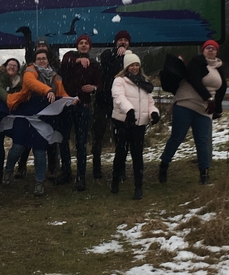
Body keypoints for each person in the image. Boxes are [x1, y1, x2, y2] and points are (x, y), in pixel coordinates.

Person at [4, 46, 76, 196]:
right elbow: (31, 83)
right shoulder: (30, 71)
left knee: (40, 150)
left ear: (48, 60)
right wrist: (48, 90)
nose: (42, 61)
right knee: (18, 147)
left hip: (44, 116)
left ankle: (39, 183)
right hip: (27, 113)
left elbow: (62, 93)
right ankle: (8, 171)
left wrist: (71, 100)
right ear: (35, 61)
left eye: (44, 58)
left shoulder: (55, 76)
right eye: (39, 59)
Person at [158, 40, 227, 185]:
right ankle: (164, 166)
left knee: (202, 141)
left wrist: (217, 109)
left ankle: (204, 174)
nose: (210, 50)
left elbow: (221, 90)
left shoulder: (219, 68)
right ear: (203, 50)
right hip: (186, 103)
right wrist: (208, 98)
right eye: (207, 48)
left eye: (213, 48)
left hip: (205, 109)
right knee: (177, 137)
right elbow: (195, 81)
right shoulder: (196, 62)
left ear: (217, 51)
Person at [110, 52, 160, 200]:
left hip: (139, 123)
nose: (134, 67)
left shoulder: (143, 82)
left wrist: (154, 113)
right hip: (123, 122)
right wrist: (129, 110)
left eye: (137, 64)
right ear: (126, 67)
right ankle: (115, 180)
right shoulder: (119, 81)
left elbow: (149, 102)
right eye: (131, 65)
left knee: (137, 155)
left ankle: (138, 186)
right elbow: (119, 97)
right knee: (121, 152)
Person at [58, 34, 102, 191]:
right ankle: (66, 172)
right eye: (81, 43)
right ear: (77, 46)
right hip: (67, 105)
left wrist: (94, 88)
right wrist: (78, 60)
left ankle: (81, 177)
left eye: (86, 43)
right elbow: (64, 62)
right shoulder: (70, 57)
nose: (83, 45)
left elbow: (100, 83)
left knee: (81, 142)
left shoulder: (95, 64)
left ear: (90, 47)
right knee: (63, 140)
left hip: (83, 106)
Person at [92, 29, 132, 179]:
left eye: (125, 40)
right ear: (115, 42)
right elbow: (105, 59)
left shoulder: (131, 58)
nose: (123, 42)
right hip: (103, 101)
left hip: (121, 104)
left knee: (121, 138)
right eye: (120, 40)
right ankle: (96, 169)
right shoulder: (108, 53)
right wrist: (117, 51)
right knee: (98, 136)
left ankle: (120, 169)